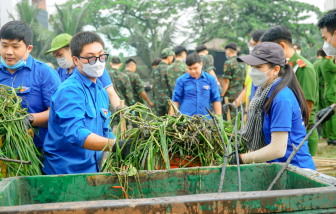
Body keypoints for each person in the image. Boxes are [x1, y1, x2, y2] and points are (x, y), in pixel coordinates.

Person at [42, 32, 132, 175]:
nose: (97, 62)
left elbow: (105, 130)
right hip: (65, 173)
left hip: (91, 169)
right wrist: (114, 145)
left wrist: (125, 146)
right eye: (90, 58)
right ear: (76, 60)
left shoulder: (101, 92)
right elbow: (76, 133)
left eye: (101, 56)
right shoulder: (70, 90)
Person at [231, 42, 315, 170]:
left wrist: (241, 158)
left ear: (275, 70)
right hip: (278, 169)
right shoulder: (262, 93)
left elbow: (277, 149)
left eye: (258, 66)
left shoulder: (281, 99)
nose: (252, 71)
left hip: (296, 170)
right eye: (252, 67)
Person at [0, 21, 61, 160]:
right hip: (3, 153)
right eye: (4, 46)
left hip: (37, 153)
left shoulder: (45, 73)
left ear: (29, 48)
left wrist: (29, 119)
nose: (8, 52)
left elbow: (58, 113)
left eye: (15, 47)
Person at [260, 25, 319, 156]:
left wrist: (297, 138)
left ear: (281, 46)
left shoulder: (303, 68)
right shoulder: (283, 67)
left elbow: (307, 107)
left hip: (299, 137)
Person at [44, 34, 122, 112]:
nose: (59, 59)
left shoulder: (94, 68)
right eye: (56, 56)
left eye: (60, 54)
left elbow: (111, 94)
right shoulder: (60, 71)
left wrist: (120, 108)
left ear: (71, 51)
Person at [223, 29, 266, 114]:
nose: (251, 48)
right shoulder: (251, 66)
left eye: (253, 45)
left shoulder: (268, 69)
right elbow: (247, 90)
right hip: (250, 112)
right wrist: (233, 105)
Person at [172, 53, 222, 118]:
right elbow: (175, 100)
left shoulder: (210, 79)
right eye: (190, 69)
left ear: (201, 64)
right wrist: (171, 118)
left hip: (205, 120)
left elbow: (216, 99)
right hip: (186, 120)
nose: (193, 71)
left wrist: (219, 118)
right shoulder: (181, 80)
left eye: (195, 68)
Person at [221, 42, 246, 120]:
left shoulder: (228, 63)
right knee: (239, 119)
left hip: (230, 97)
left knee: (229, 121)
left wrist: (221, 95)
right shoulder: (243, 62)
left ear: (228, 51)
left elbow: (226, 81)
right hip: (241, 96)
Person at [152, 48, 175, 116]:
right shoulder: (169, 68)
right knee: (171, 122)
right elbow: (172, 86)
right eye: (172, 57)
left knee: (160, 123)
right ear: (169, 57)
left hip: (158, 101)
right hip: (168, 102)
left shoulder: (155, 69)